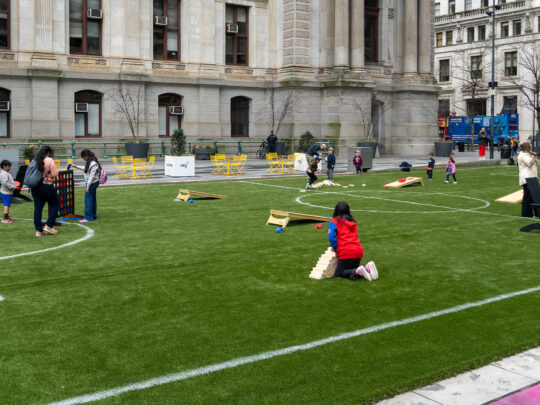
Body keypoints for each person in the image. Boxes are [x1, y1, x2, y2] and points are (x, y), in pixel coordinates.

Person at [328, 201, 378, 281]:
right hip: (358, 251)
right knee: (353, 272)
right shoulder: (352, 221)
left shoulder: (334, 221)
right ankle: (366, 267)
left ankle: (360, 269)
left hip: (346, 251)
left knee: (339, 273)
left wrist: (336, 248)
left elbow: (331, 237)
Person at [31, 145, 60, 236]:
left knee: (38, 208)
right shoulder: (49, 160)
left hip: (35, 186)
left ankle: (38, 231)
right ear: (48, 153)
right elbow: (55, 174)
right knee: (55, 204)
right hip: (46, 185)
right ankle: (49, 225)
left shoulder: (34, 160)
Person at [72, 149, 101, 223]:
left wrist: (87, 186)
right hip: (94, 183)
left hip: (92, 183)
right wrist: (76, 166)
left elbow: (92, 176)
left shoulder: (93, 163)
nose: (83, 159)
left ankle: (88, 217)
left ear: (86, 156)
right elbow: (86, 169)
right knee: (92, 199)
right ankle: (93, 215)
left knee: (88, 200)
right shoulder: (92, 162)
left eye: (83, 157)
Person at [517, 141, 538, 218]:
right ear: (527, 148)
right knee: (528, 197)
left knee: (532, 197)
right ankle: (526, 214)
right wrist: (534, 156)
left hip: (529, 178)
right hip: (528, 179)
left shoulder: (524, 154)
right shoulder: (524, 155)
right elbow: (529, 163)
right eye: (530, 147)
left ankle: (533, 213)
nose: (531, 148)